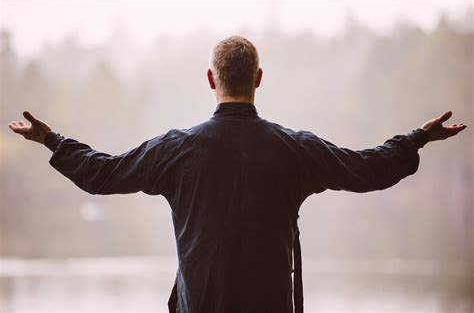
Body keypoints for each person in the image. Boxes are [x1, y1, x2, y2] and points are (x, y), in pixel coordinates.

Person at [8, 35, 466, 313]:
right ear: (259, 77)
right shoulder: (295, 149)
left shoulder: (177, 150)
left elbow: (101, 174)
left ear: (211, 79)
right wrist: (416, 139)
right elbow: (367, 169)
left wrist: (52, 140)